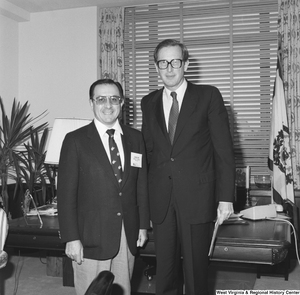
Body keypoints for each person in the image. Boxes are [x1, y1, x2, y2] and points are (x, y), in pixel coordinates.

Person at [141, 39, 236, 295]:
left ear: (186, 64)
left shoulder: (208, 96)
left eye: (175, 62)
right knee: (165, 272)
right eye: (163, 62)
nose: (169, 68)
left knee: (195, 274)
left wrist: (225, 198)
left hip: (197, 198)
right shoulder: (148, 102)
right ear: (156, 66)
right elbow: (148, 152)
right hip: (161, 198)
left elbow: (224, 152)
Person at [57, 79, 150, 295]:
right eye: (101, 99)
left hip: (127, 235)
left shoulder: (135, 139)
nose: (108, 105)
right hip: (90, 237)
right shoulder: (75, 140)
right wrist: (72, 238)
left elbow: (141, 186)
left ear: (122, 102)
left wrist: (143, 225)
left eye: (114, 99)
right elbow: (65, 195)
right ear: (91, 103)